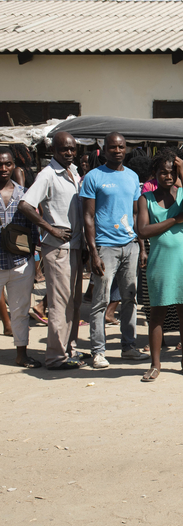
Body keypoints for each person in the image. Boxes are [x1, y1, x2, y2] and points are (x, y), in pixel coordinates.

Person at [81, 132, 146, 368]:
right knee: (100, 300)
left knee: (130, 298)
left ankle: (129, 347)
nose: (117, 151)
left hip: (130, 245)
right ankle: (98, 351)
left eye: (120, 147)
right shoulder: (93, 177)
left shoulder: (132, 177)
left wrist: (140, 245)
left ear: (126, 148)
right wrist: (93, 252)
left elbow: (136, 213)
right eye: (112, 147)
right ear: (104, 150)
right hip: (105, 246)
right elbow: (87, 216)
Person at [19, 132, 83, 370]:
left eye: (72, 149)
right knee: (59, 303)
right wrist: (50, 229)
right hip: (58, 249)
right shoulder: (47, 175)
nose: (69, 153)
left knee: (74, 302)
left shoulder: (74, 172)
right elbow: (25, 204)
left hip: (75, 246)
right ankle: (56, 357)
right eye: (64, 149)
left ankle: (70, 349)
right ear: (53, 151)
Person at [135, 152, 183, 381]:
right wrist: (175, 219)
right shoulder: (146, 199)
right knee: (157, 313)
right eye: (164, 172)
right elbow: (142, 231)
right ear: (155, 174)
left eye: (173, 172)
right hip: (159, 260)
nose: (168, 176)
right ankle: (155, 364)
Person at [0, 147, 39, 368]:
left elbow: (33, 228)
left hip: (20, 263)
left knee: (20, 311)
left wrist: (33, 261)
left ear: (14, 165)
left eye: (8, 164)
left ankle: (21, 353)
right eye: (0, 164)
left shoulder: (25, 194)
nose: (4, 169)